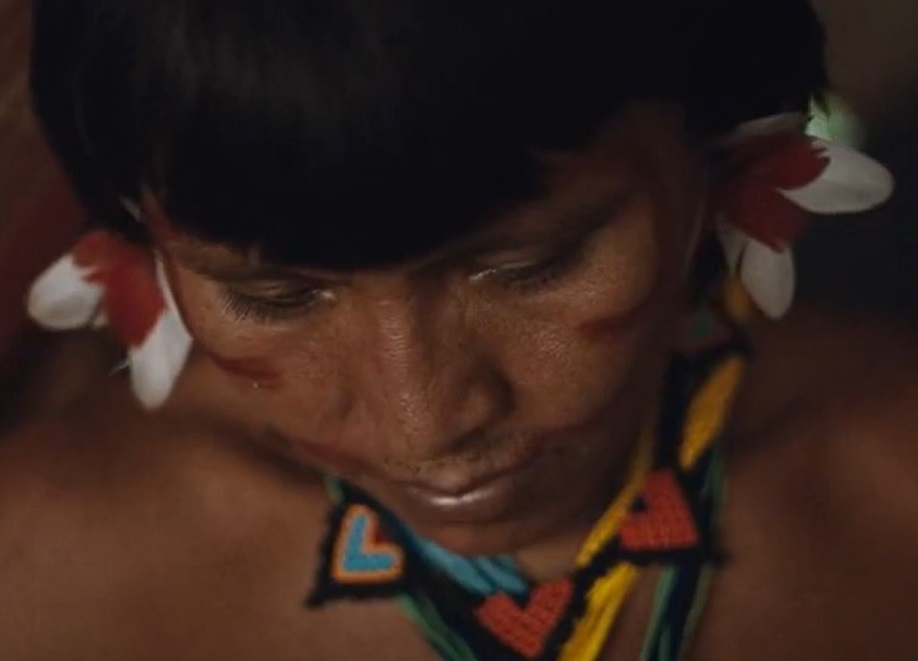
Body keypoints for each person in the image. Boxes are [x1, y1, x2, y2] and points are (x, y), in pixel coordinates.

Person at [2, 0, 917, 659]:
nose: (427, 422)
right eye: (275, 297)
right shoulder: (35, 573)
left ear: (732, 159)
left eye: (531, 266)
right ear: (142, 247)